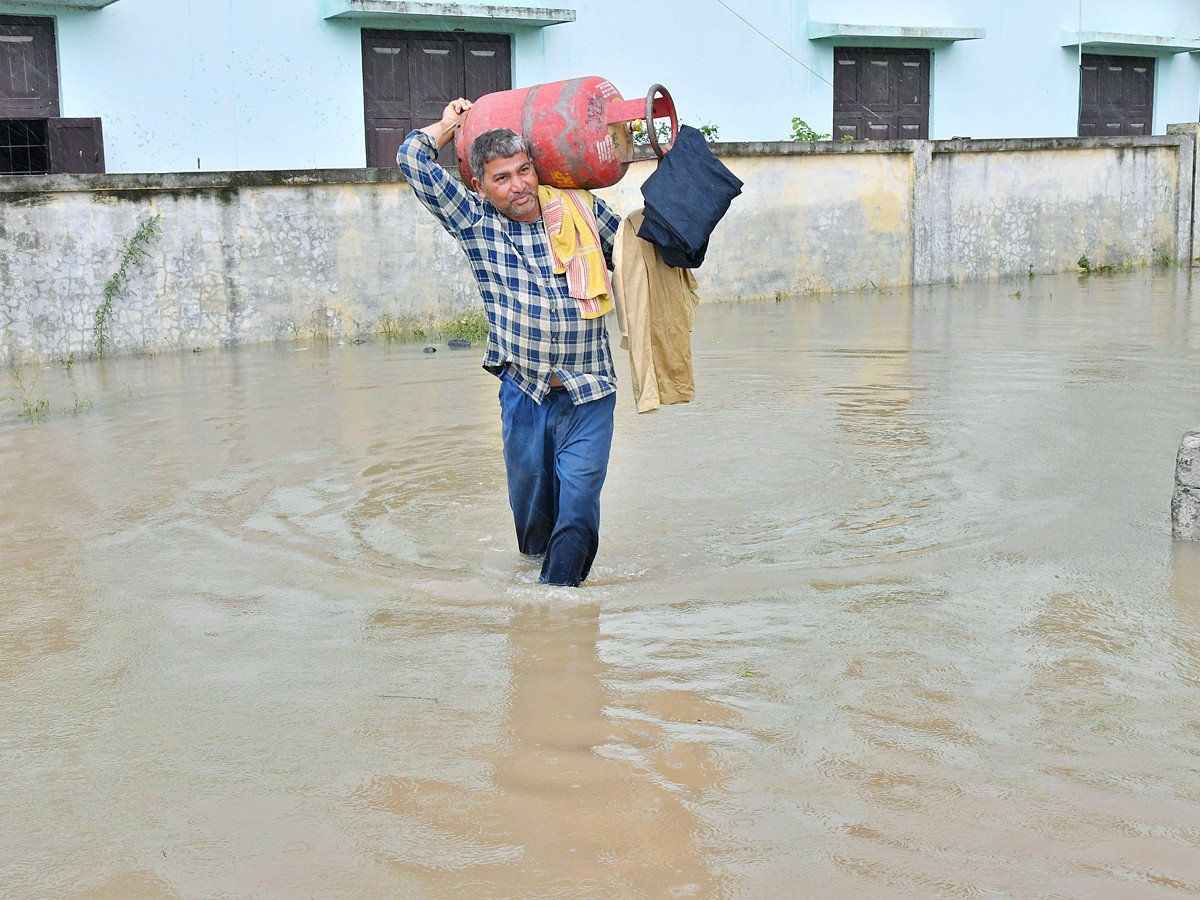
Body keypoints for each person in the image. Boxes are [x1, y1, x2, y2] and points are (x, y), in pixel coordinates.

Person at [397, 98, 622, 587]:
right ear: (480, 185)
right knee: (532, 518)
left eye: (524, 171)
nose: (520, 186)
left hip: (591, 390)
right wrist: (447, 125)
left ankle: (558, 605)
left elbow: (634, 250)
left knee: (580, 496)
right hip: (524, 392)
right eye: (503, 178)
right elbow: (411, 160)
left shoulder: (577, 208)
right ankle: (535, 601)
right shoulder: (476, 222)